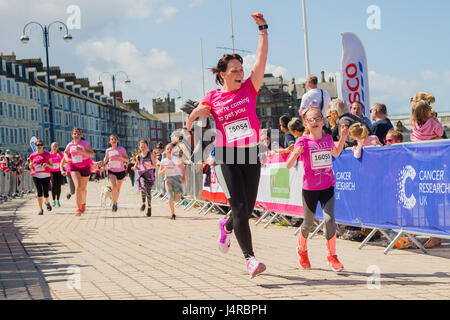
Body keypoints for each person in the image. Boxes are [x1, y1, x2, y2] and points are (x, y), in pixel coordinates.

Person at [185, 13, 269, 278]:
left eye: (241, 70)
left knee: (248, 207)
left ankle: (226, 225)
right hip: (226, 155)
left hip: (251, 153)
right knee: (241, 207)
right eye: (234, 71)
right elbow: (201, 110)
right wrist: (192, 118)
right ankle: (250, 260)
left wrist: (263, 30)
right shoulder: (213, 96)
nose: (239, 73)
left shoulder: (249, 88)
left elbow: (261, 58)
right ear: (222, 75)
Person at [286, 105, 349, 272]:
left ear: (323, 121)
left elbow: (335, 153)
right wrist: (295, 154)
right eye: (310, 120)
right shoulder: (303, 141)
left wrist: (342, 137)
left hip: (327, 186)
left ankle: (332, 255)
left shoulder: (328, 139)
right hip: (310, 189)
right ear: (306, 124)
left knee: (329, 220)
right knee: (307, 223)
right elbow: (288, 165)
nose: (314, 122)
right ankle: (302, 251)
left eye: (317, 119)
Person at [62, 128, 95, 216]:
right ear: (72, 135)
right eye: (74, 134)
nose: (76, 135)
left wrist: (81, 151)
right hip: (74, 166)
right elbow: (65, 152)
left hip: (85, 166)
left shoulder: (85, 144)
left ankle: (83, 204)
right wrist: (66, 158)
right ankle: (78, 208)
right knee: (78, 187)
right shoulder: (69, 145)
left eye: (78, 134)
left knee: (83, 189)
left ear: (81, 135)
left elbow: (92, 154)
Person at [158, 143, 186, 220]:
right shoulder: (163, 161)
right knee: (170, 197)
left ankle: (176, 198)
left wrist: (184, 178)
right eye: (168, 149)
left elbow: (183, 168)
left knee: (177, 199)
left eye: (171, 149)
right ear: (165, 151)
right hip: (168, 179)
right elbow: (159, 173)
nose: (169, 150)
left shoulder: (176, 159)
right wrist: (164, 169)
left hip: (177, 178)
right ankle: (173, 214)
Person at [103, 134, 129, 212]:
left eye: (115, 139)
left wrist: (120, 157)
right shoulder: (108, 150)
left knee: (117, 189)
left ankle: (115, 201)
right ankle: (114, 204)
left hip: (120, 171)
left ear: (117, 140)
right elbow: (106, 158)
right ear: (109, 141)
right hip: (111, 170)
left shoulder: (121, 149)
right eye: (112, 139)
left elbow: (127, 159)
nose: (113, 140)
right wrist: (103, 163)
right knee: (114, 186)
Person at [28, 139, 53, 215]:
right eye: (38, 145)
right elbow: (30, 165)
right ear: (35, 146)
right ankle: (40, 209)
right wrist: (30, 165)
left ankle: (47, 202)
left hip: (46, 175)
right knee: (39, 192)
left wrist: (47, 165)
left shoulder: (47, 154)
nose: (39, 146)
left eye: (41, 145)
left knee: (46, 192)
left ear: (43, 146)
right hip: (36, 175)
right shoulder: (32, 155)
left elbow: (51, 166)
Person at [134, 139, 157, 217]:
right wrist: (134, 167)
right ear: (139, 147)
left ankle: (149, 207)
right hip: (142, 175)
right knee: (143, 187)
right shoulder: (138, 156)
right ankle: (143, 203)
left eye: (144, 146)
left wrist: (149, 166)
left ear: (147, 146)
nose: (143, 148)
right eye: (141, 146)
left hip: (150, 175)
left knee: (148, 191)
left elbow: (155, 165)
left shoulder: (150, 155)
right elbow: (137, 164)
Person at [49, 142, 64, 207]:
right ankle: (53, 200)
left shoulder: (60, 154)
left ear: (57, 147)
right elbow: (47, 163)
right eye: (54, 146)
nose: (55, 147)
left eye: (56, 146)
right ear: (51, 147)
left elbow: (63, 162)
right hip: (52, 172)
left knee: (58, 186)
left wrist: (60, 157)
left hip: (59, 171)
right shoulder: (49, 154)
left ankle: (58, 200)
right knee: (53, 186)